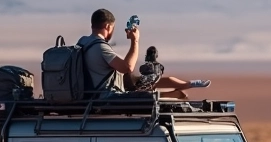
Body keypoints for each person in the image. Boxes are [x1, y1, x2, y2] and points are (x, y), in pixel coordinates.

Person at [77, 9, 211, 99]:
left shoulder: (83, 42)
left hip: (91, 93)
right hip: (105, 97)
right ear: (108, 27)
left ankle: (185, 86)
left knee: (146, 82)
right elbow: (127, 67)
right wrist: (135, 41)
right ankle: (175, 93)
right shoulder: (100, 47)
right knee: (146, 97)